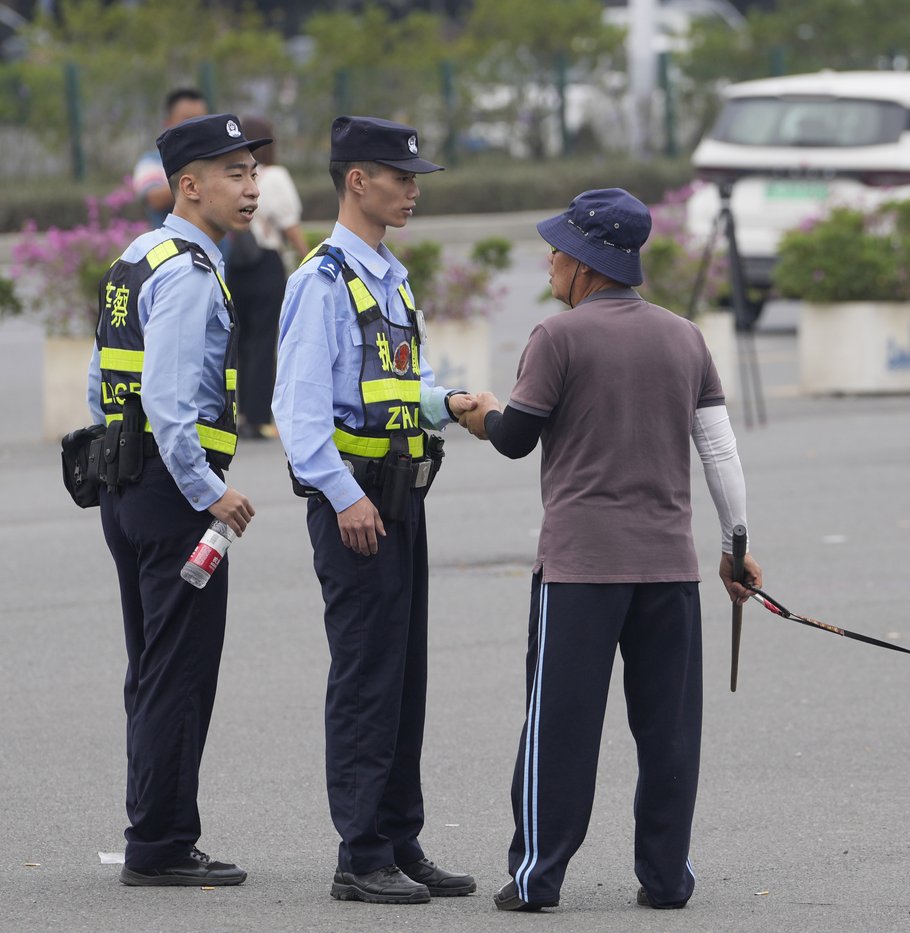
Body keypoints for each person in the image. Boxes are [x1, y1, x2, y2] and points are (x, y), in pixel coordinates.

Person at [458, 188, 764, 912]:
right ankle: (666, 877)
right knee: (668, 731)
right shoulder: (684, 337)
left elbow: (515, 438)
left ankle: (537, 877)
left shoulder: (556, 338)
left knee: (560, 726)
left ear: (589, 262)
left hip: (580, 571)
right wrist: (735, 544)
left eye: (559, 248)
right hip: (669, 571)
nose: (551, 258)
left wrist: (481, 412)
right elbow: (719, 449)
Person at [273, 115, 478, 906]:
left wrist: (445, 400)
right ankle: (359, 853)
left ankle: (398, 836)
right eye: (401, 176)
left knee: (403, 677)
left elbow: (385, 389)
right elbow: (298, 414)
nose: (413, 189)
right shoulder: (320, 281)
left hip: (398, 499)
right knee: (365, 678)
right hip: (355, 504)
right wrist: (345, 495)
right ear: (357, 180)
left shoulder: (387, 277)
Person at [90, 113, 265, 886]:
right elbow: (168, 399)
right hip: (172, 496)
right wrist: (211, 491)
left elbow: (106, 383)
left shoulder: (137, 256)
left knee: (153, 665)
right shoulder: (189, 272)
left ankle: (152, 831)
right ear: (189, 186)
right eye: (234, 173)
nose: (252, 186)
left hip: (124, 487)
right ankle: (160, 844)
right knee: (178, 671)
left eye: (254, 171)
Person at [224, 116, 306, 440]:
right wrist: (309, 255)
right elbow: (290, 224)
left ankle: (240, 413)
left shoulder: (232, 177)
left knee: (240, 342)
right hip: (266, 262)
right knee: (262, 341)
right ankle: (258, 418)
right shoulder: (276, 177)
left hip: (237, 264)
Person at [132, 89, 208, 229]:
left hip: (218, 249)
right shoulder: (152, 162)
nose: (196, 126)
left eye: (201, 119)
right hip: (172, 248)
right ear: (168, 123)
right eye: (187, 119)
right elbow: (155, 200)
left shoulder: (216, 157)